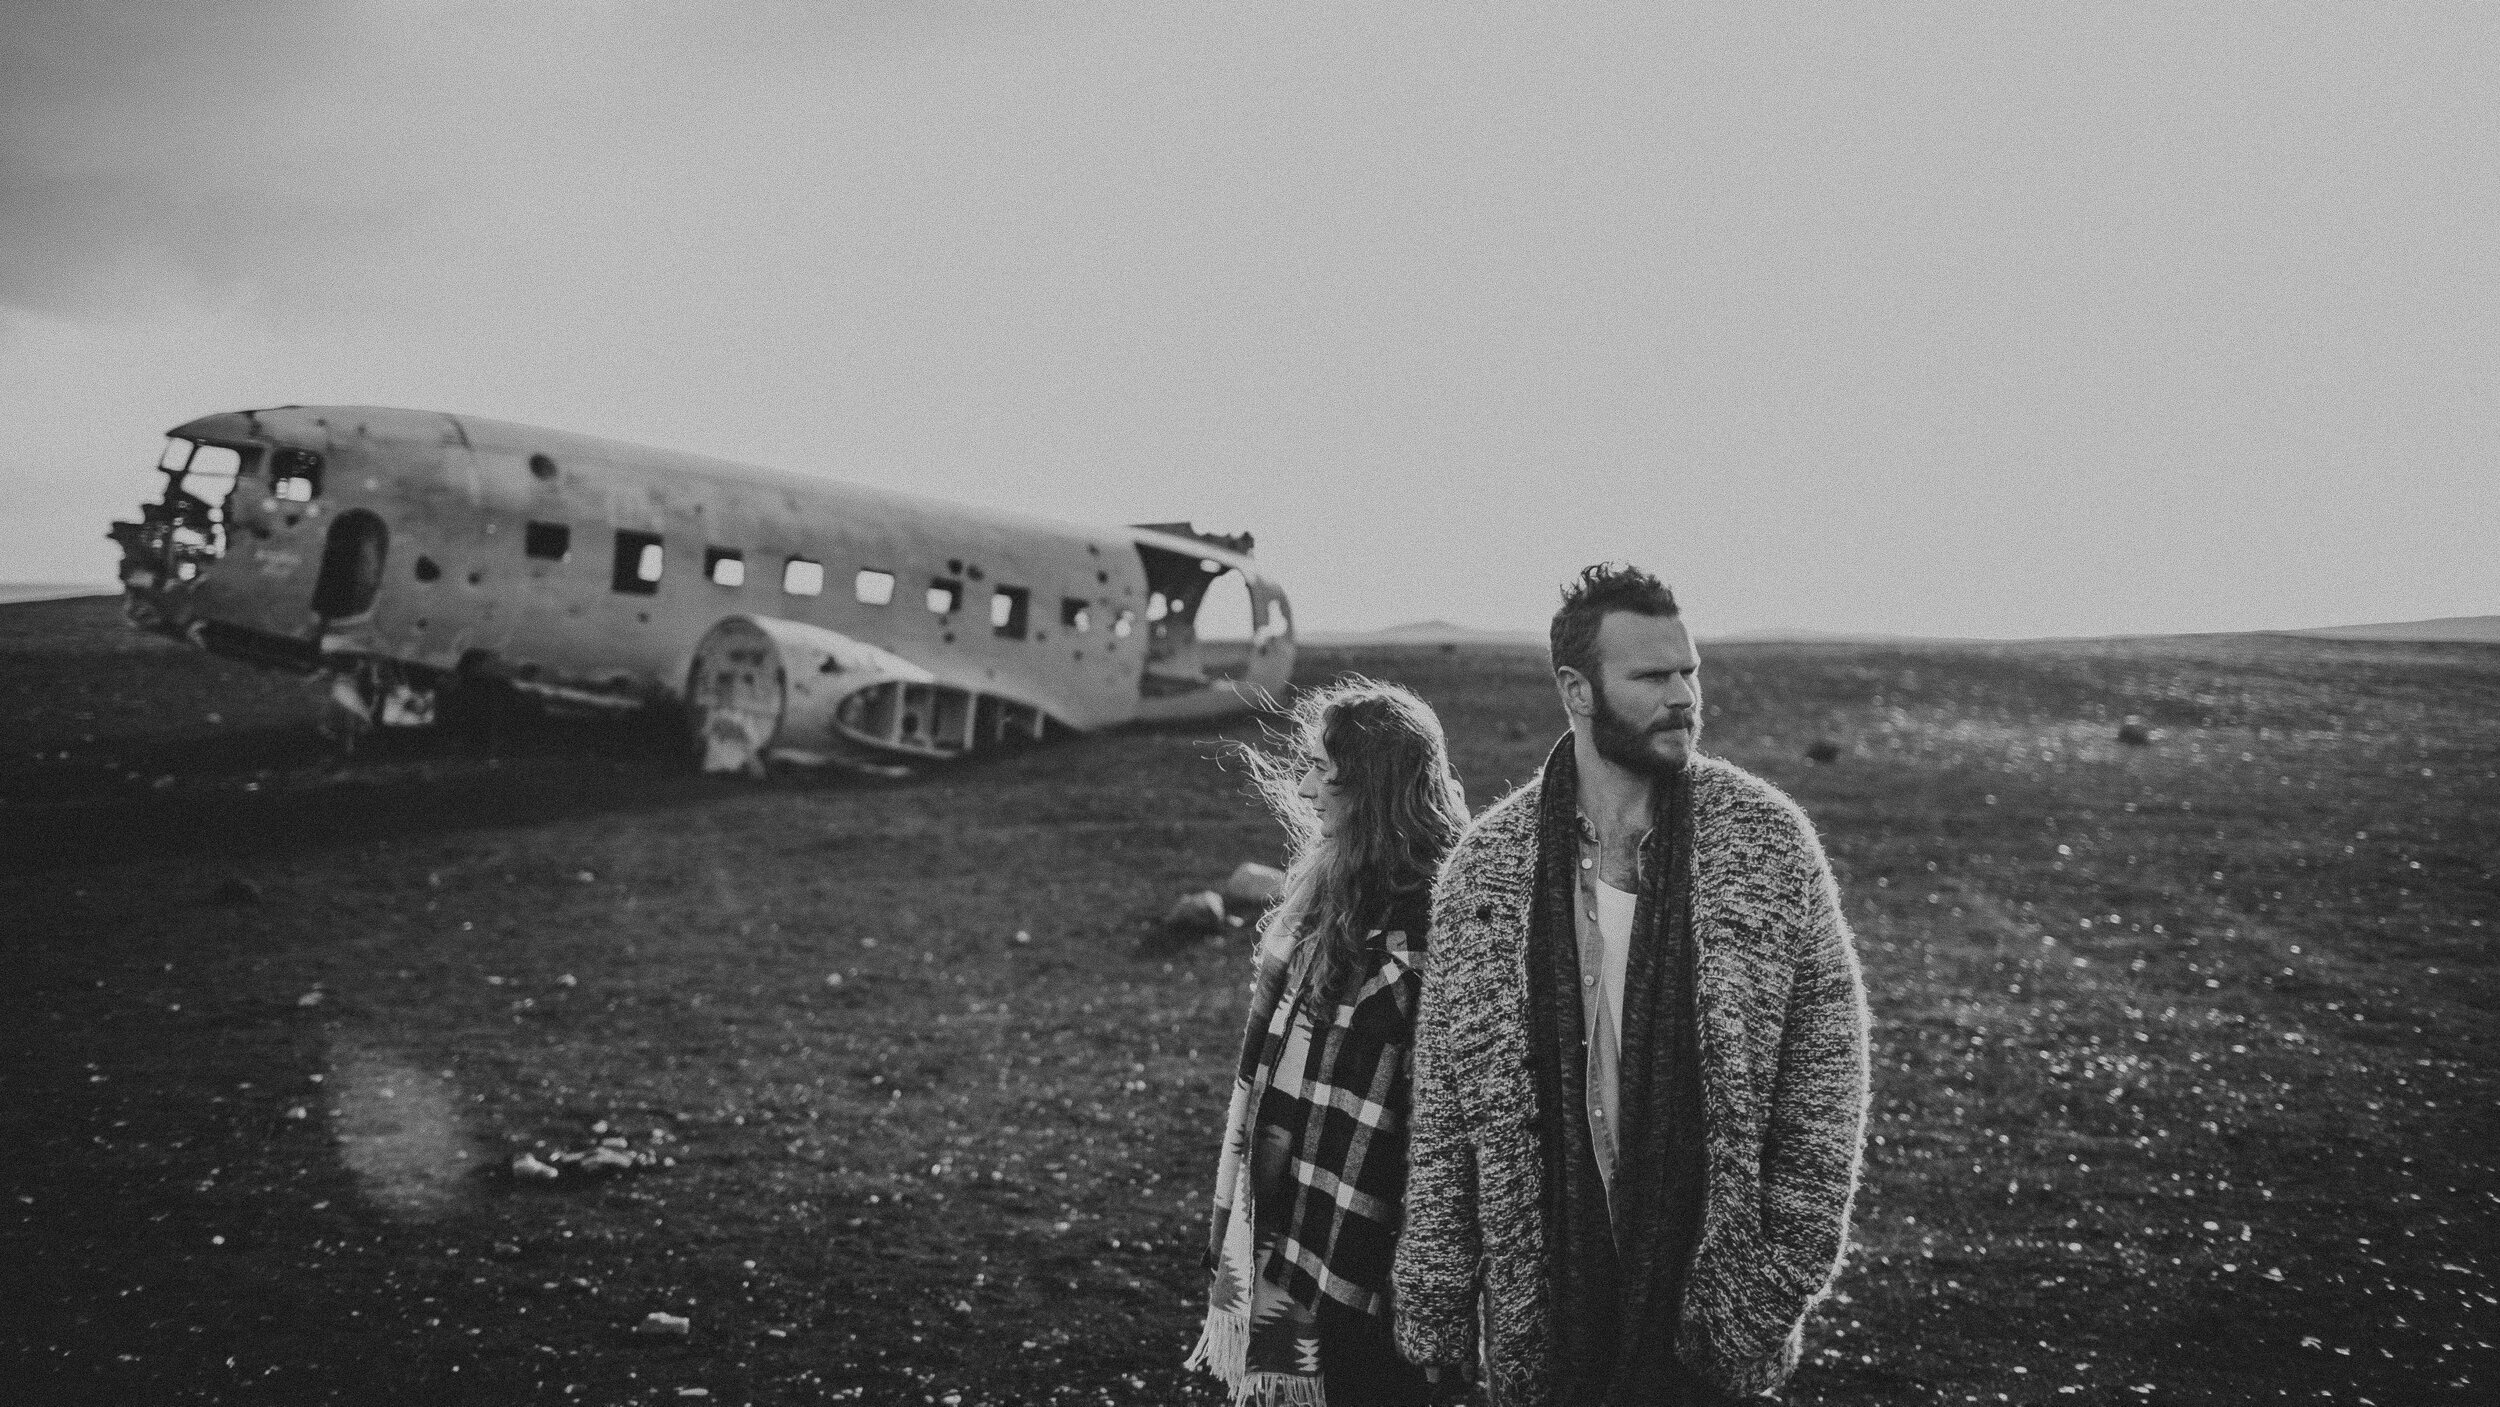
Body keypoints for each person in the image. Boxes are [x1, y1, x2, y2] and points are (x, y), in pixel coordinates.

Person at [1391, 564, 1872, 1405]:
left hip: (1713, 1325)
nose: (1684, 694)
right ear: (1577, 691)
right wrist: (1435, 1294)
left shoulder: (1766, 844)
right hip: (1548, 1327)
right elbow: (1444, 1110)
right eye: (1653, 676)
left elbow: (1826, 1087)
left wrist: (1758, 1296)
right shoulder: (1487, 871)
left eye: (1689, 670)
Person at [1188, 678, 1472, 1407]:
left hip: (1373, 1261)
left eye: (1320, 767)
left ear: (1369, 787)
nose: (1305, 786)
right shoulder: (1329, 893)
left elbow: (1439, 1131)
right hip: (1294, 1232)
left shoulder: (1433, 929)